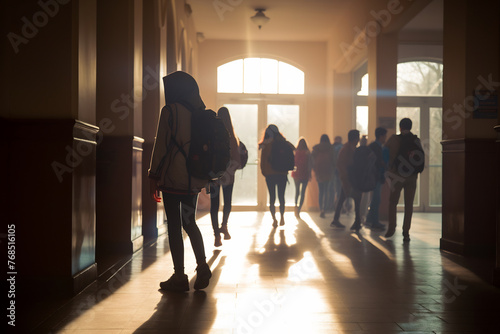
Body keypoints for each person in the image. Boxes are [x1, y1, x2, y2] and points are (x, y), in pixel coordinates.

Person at [148, 71, 211, 292]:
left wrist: (153, 176)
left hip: (173, 178)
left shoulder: (170, 111)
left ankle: (179, 276)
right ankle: (202, 265)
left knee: (174, 226)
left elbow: (161, 147)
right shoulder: (199, 113)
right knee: (190, 222)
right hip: (192, 179)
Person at [384, 118, 424, 241]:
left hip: (397, 176)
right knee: (409, 205)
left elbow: (384, 154)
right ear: (410, 127)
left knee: (393, 203)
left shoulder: (393, 140)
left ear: (400, 127)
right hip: (412, 177)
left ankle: (391, 228)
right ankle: (406, 232)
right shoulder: (416, 140)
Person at [209, 107, 241, 247]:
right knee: (227, 202)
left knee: (214, 205)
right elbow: (237, 160)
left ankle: (216, 235)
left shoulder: (212, 134)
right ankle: (224, 225)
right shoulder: (232, 137)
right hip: (228, 175)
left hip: (213, 175)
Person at [259, 124, 295, 227]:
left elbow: (263, 161)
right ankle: (282, 218)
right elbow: (293, 148)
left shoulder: (266, 144)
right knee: (281, 197)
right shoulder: (282, 142)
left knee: (272, 198)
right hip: (282, 174)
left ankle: (274, 219)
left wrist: (264, 172)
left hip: (270, 175)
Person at [330, 129, 362, 231]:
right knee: (356, 199)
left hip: (350, 178)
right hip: (348, 179)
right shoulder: (346, 149)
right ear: (355, 138)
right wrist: (345, 179)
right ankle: (357, 222)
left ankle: (337, 220)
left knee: (343, 199)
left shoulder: (350, 148)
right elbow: (341, 164)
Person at [364, 127, 388, 231]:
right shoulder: (377, 147)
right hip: (376, 176)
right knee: (376, 199)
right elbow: (378, 162)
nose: (385, 138)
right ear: (381, 136)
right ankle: (374, 221)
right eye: (384, 136)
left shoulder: (373, 146)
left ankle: (370, 220)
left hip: (375, 176)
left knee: (375, 199)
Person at [312, 134, 335, 218]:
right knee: (326, 191)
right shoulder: (330, 148)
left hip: (319, 171)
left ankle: (320, 208)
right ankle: (324, 209)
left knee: (320, 191)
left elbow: (312, 160)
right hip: (328, 171)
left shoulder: (316, 148)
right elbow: (334, 159)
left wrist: (314, 169)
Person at [291, 137, 312, 217]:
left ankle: (295, 206)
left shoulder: (296, 152)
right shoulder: (307, 153)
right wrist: (309, 174)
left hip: (296, 174)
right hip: (305, 174)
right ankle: (299, 209)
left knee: (297, 191)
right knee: (303, 192)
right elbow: (310, 164)